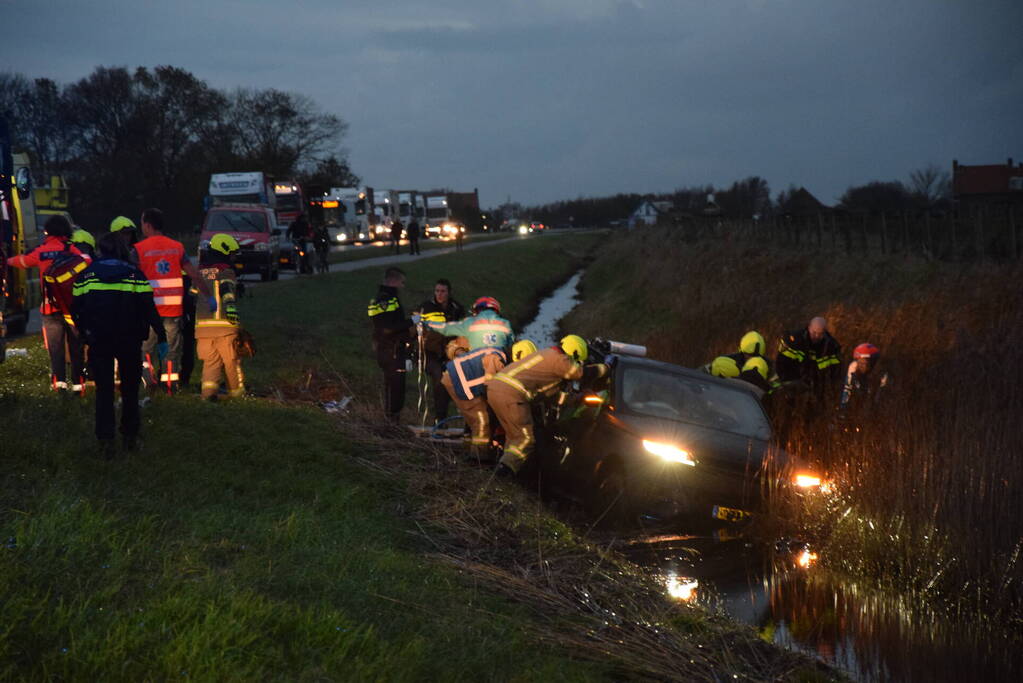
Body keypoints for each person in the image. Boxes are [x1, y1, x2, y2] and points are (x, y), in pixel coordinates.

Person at [71, 232, 166, 457]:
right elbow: (148, 307)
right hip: (129, 340)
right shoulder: (135, 274)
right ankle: (130, 438)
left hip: (99, 340)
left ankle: (105, 441)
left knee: (104, 391)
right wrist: (161, 335)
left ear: (101, 250)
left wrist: (86, 332)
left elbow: (76, 308)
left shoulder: (86, 275)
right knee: (130, 390)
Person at [486, 334, 608, 477]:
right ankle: (502, 474)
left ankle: (503, 470)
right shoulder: (559, 358)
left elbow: (556, 398)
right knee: (526, 439)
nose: (577, 364)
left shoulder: (548, 357)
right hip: (512, 394)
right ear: (573, 353)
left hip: (496, 389)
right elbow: (579, 373)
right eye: (577, 361)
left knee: (514, 437)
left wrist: (578, 398)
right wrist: (606, 367)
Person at [6, 214, 90, 392]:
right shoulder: (71, 250)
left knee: (56, 350)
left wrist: (7, 260)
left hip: (50, 308)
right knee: (76, 348)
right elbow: (86, 262)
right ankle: (78, 385)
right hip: (72, 308)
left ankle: (59, 386)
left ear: (48, 231)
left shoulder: (42, 251)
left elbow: (23, 261)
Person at [133, 207, 212, 394]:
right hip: (172, 310)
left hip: (149, 311)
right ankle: (170, 387)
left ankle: (148, 381)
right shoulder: (177, 247)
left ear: (148, 225)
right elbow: (194, 275)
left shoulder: (139, 249)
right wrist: (208, 296)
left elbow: (132, 277)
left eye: (142, 223)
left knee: (145, 350)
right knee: (171, 351)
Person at [195, 234, 244, 401]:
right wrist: (231, 308)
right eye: (231, 254)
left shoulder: (200, 273)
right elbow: (227, 291)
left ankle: (208, 395)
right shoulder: (226, 271)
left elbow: (192, 296)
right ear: (224, 252)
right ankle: (237, 395)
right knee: (231, 362)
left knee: (210, 363)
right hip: (225, 327)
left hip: (203, 329)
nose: (233, 258)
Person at [416, 279, 466, 424]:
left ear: (449, 293)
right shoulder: (426, 307)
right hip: (429, 352)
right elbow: (414, 328)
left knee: (453, 380)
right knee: (439, 378)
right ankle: (439, 418)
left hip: (449, 352)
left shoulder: (456, 308)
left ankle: (452, 416)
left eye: (443, 291)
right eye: (437, 291)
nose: (439, 294)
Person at [368, 267, 414, 421]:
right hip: (390, 350)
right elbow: (387, 327)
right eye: (402, 282)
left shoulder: (388, 297)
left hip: (392, 349)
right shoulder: (385, 299)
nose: (403, 286)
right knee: (395, 388)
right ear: (393, 281)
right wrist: (411, 322)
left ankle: (392, 421)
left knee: (396, 388)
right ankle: (391, 422)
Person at [417, 296, 514, 353]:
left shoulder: (470, 322)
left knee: (456, 343)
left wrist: (425, 323)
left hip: (476, 364)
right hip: (499, 363)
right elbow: (510, 344)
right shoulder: (506, 324)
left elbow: (445, 328)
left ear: (477, 310)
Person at [775, 316, 842, 394]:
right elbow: (781, 363)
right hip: (792, 380)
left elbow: (834, 372)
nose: (817, 336)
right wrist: (790, 383)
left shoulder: (831, 346)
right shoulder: (795, 340)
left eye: (820, 334)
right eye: (814, 333)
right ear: (809, 327)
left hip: (817, 388)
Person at [839, 343, 890, 415]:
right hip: (859, 396)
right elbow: (847, 388)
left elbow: (879, 396)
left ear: (872, 363)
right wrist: (843, 407)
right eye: (859, 362)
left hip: (874, 399)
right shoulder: (853, 366)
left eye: (863, 363)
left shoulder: (882, 374)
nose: (860, 365)